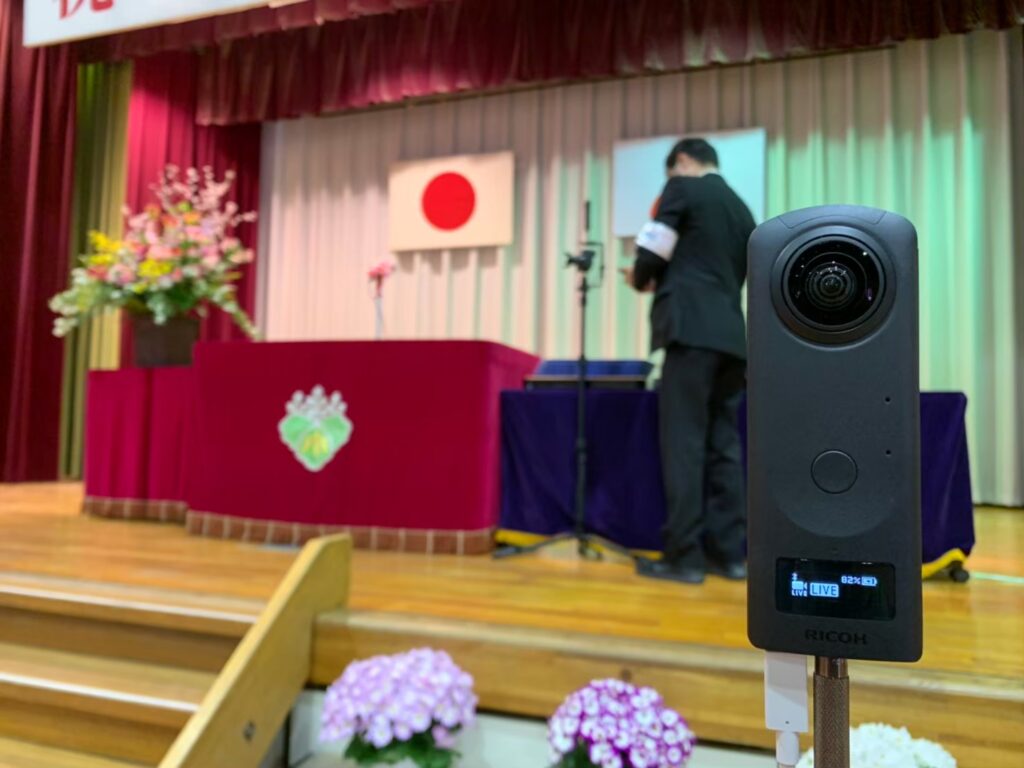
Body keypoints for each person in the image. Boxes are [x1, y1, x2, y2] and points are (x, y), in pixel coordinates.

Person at [622, 138, 755, 585]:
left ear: (681, 161)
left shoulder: (682, 188)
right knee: (724, 445)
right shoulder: (742, 210)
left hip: (690, 333)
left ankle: (684, 557)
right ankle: (728, 556)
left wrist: (639, 277)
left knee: (684, 443)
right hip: (732, 339)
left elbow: (654, 250)